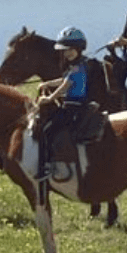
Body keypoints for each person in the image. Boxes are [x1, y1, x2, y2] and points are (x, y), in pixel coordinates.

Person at [34, 26, 88, 181]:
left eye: (71, 49)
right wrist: (47, 84)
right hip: (72, 104)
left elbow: (66, 85)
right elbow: (63, 80)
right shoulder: (76, 66)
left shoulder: (77, 67)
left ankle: (46, 167)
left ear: (79, 49)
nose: (68, 53)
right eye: (65, 50)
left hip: (74, 106)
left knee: (47, 130)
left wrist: (49, 99)